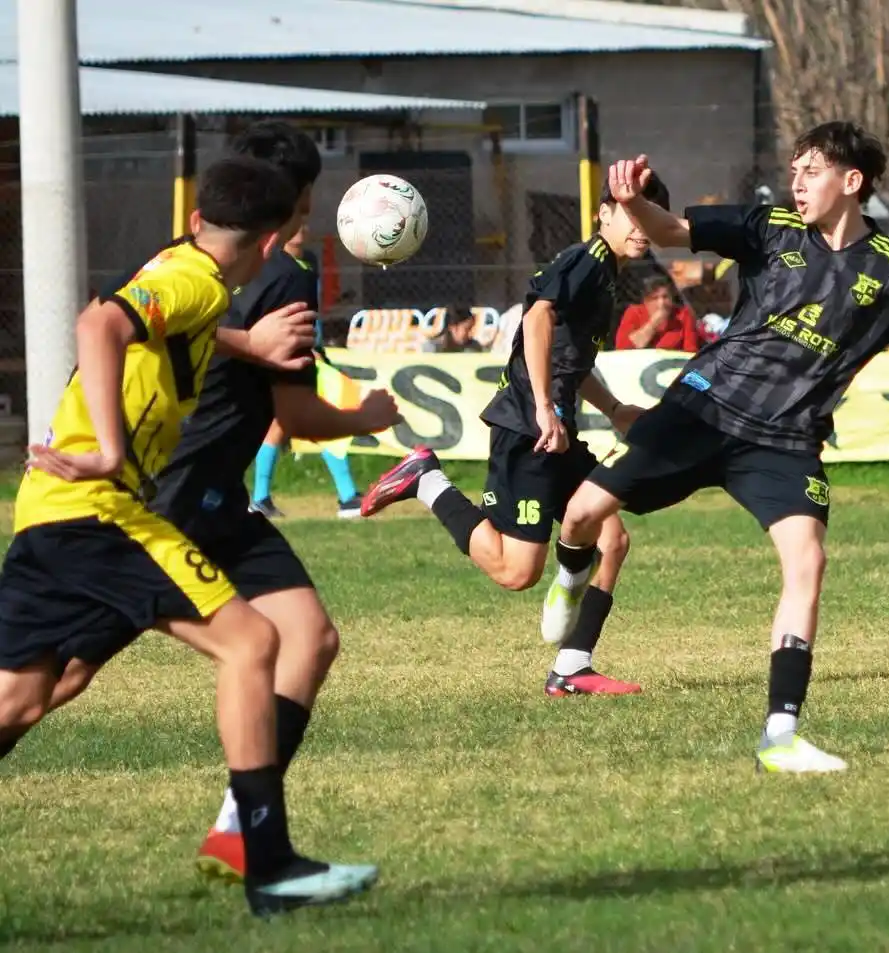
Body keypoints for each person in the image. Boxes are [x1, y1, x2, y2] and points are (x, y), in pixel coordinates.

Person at [536, 121, 889, 773]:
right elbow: (673, 232)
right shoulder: (770, 227)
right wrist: (632, 201)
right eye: (794, 168)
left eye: (811, 170)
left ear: (852, 182)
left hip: (784, 440)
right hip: (703, 408)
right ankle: (569, 578)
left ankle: (780, 733)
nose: (796, 180)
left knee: (807, 559)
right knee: (584, 515)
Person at [0, 155, 377, 916]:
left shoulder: (179, 266)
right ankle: (265, 862)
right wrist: (109, 448)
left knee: (23, 695)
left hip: (50, 513)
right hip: (102, 512)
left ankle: (258, 854)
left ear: (200, 217)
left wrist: (247, 345)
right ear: (273, 242)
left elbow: (164, 319)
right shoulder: (201, 283)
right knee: (249, 643)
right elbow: (99, 322)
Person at [357, 176, 672, 696]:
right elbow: (537, 318)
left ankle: (571, 669)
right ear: (604, 214)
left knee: (612, 539)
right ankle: (426, 479)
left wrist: (613, 408)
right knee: (516, 571)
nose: (641, 228)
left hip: (556, 429)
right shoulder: (585, 261)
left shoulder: (608, 275)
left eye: (650, 216)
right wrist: (545, 408)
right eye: (630, 213)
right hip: (527, 431)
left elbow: (571, 360)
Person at [249, 221, 365, 520]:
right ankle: (346, 496)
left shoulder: (309, 261)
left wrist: (316, 344)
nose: (303, 227)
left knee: (290, 422)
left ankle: (261, 498)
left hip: (310, 351)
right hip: (287, 352)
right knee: (311, 416)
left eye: (305, 220)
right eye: (295, 221)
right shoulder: (271, 263)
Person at [616, 276, 700, 350]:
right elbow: (622, 348)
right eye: (655, 298)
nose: (661, 303)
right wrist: (652, 325)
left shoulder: (683, 315)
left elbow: (691, 352)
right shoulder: (634, 312)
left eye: (665, 297)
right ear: (646, 301)